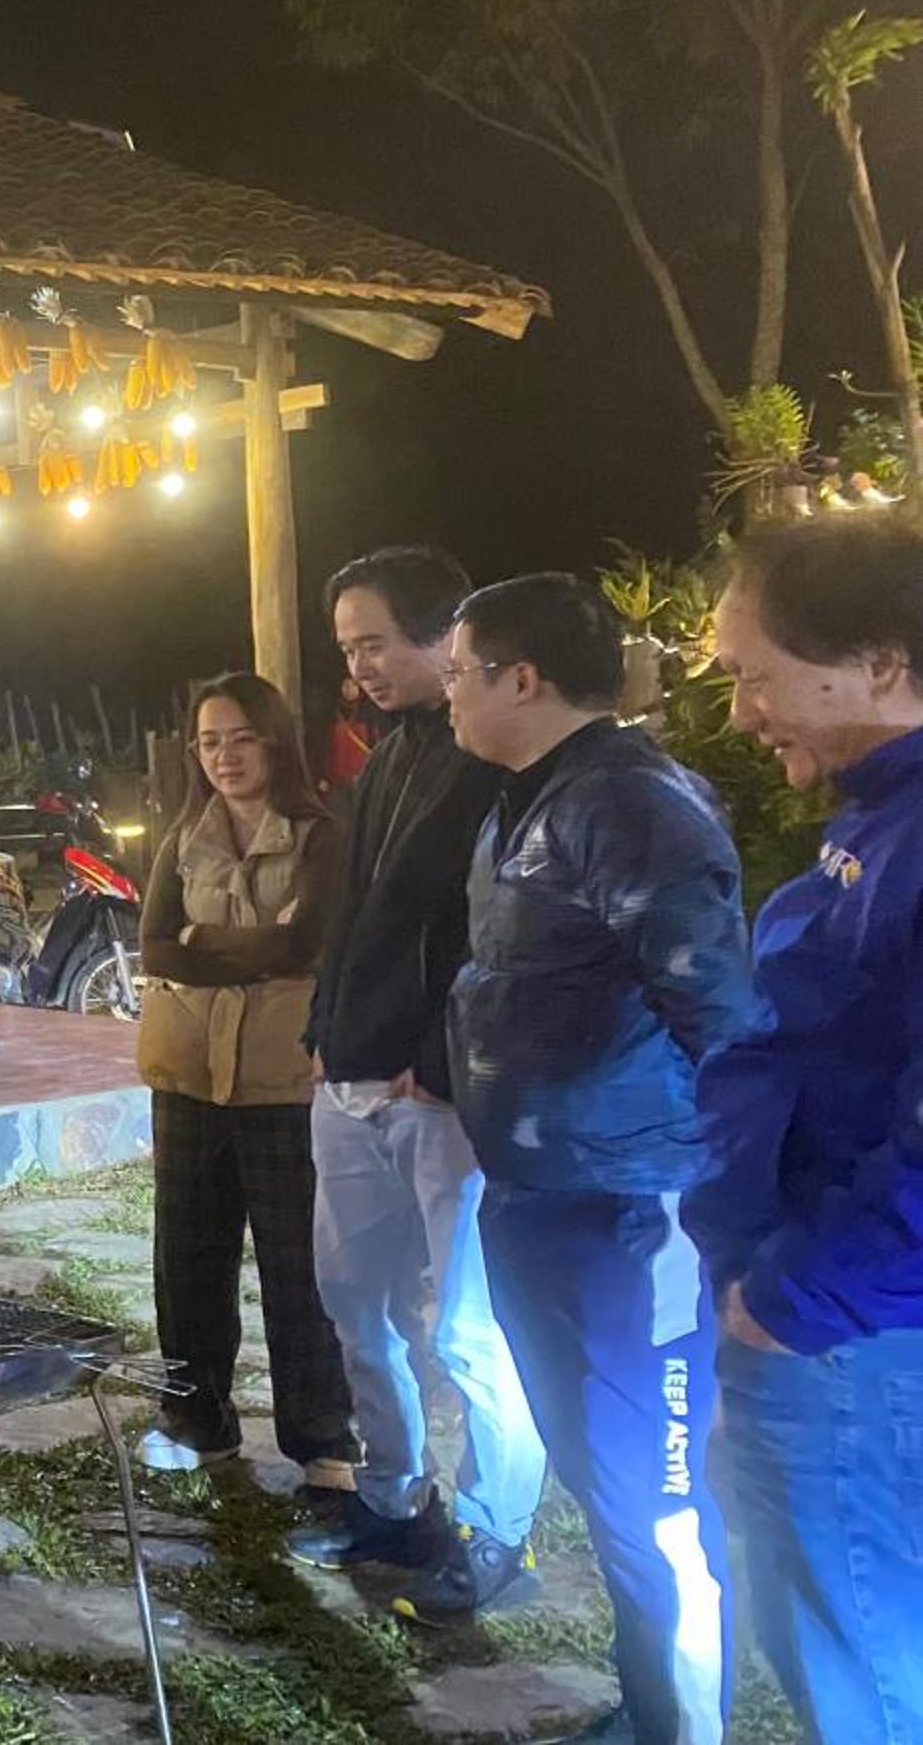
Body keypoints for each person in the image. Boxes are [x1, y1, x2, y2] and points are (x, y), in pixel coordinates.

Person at [444, 573, 769, 1745]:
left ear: (522, 679)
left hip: (632, 1213)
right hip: (541, 1197)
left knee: (656, 1497)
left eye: (460, 672)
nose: (447, 693)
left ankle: (685, 1727)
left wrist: (729, 1211)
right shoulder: (534, 801)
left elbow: (722, 1022)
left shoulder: (630, 805)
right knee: (603, 1478)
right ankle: (650, 1705)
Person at [700, 517, 923, 1741]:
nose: (742, 712)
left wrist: (793, 1301)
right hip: (833, 1319)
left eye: (756, 675)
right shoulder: (877, 819)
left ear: (878, 664)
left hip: (855, 1337)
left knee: (861, 1656)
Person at [293, 547, 547, 1619]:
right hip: (350, 1081)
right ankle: (394, 1500)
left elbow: (499, 937)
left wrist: (441, 1066)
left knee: (471, 1330)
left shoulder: (495, 764)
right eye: (348, 648)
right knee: (360, 1308)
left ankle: (498, 1531)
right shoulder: (388, 754)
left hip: (439, 1098)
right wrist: (324, 1028)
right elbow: (359, 912)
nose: (360, 667)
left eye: (376, 644)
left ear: (447, 638)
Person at [131, 673, 359, 1496]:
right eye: (209, 741)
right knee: (187, 1256)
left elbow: (307, 945)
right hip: (188, 1072)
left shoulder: (321, 835)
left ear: (274, 741)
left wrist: (208, 940)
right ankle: (197, 1421)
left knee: (300, 1265)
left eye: (240, 738)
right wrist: (254, 943)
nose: (223, 756)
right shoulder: (184, 836)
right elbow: (157, 947)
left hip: (281, 1079)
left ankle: (322, 1441)